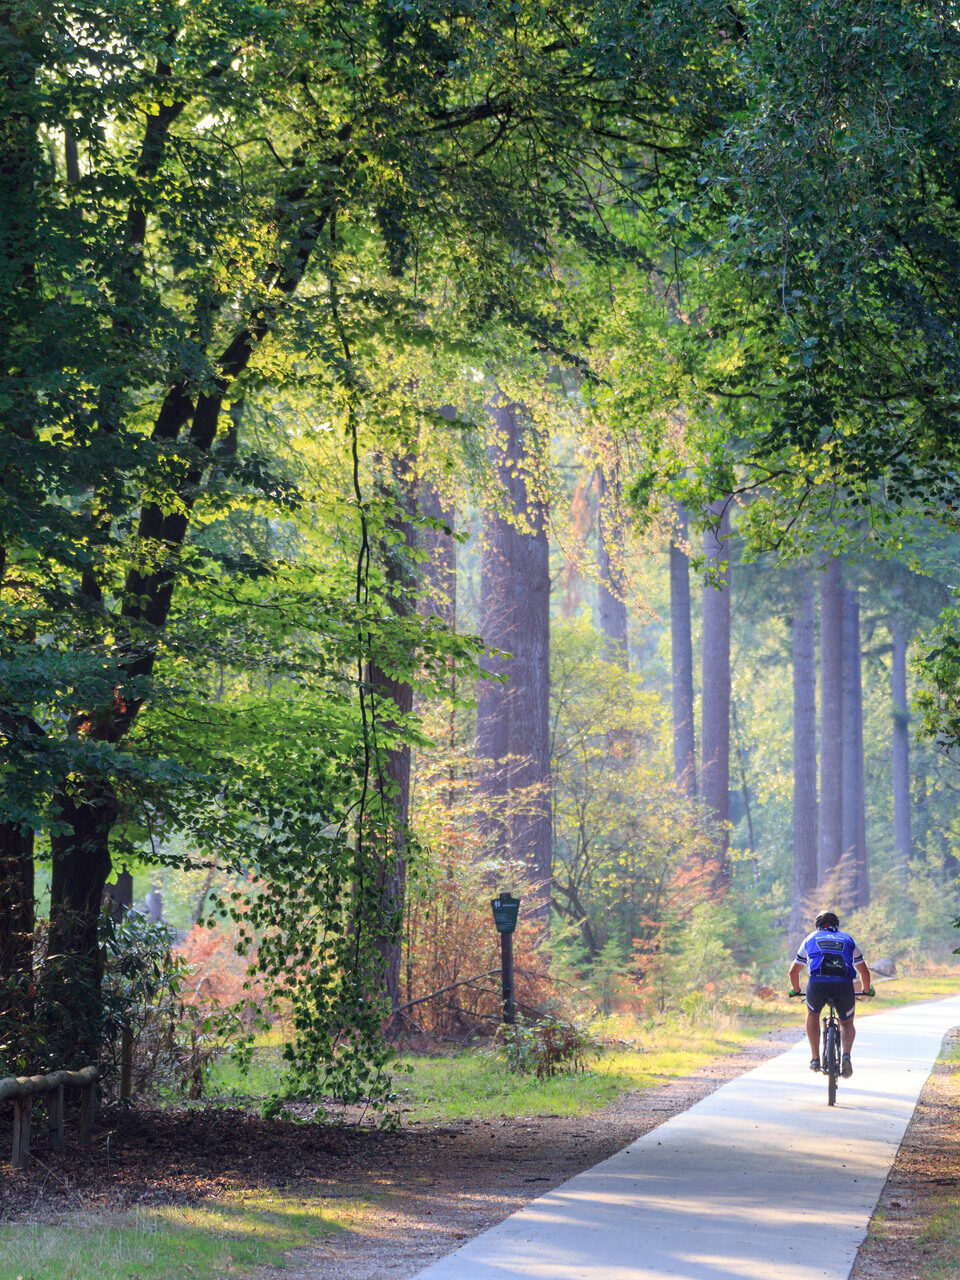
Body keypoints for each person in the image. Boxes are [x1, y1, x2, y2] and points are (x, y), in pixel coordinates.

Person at [789, 910, 872, 1078]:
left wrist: (796, 990)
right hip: (843, 985)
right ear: (837, 924)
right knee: (847, 1022)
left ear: (817, 925)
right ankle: (846, 1056)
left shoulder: (810, 938)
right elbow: (864, 972)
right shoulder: (847, 939)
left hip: (817, 984)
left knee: (813, 1015)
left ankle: (815, 1058)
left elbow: (793, 972)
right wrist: (866, 990)